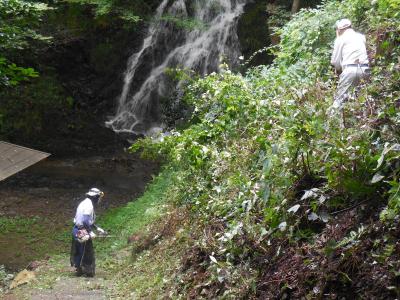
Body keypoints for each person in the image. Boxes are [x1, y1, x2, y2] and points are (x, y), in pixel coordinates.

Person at [330, 18, 370, 112]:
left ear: (339, 29)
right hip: (365, 69)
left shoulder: (340, 39)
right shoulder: (361, 37)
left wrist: (339, 69)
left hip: (350, 70)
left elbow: (335, 62)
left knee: (339, 100)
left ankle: (333, 122)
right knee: (361, 100)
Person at [70, 188, 106, 277]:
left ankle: (79, 269)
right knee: (87, 250)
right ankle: (87, 270)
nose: (99, 200)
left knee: (79, 250)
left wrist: (97, 228)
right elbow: (85, 221)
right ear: (95, 197)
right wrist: (90, 232)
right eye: (98, 197)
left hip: (77, 229)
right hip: (82, 230)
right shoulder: (89, 205)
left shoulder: (85, 203)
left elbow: (87, 220)